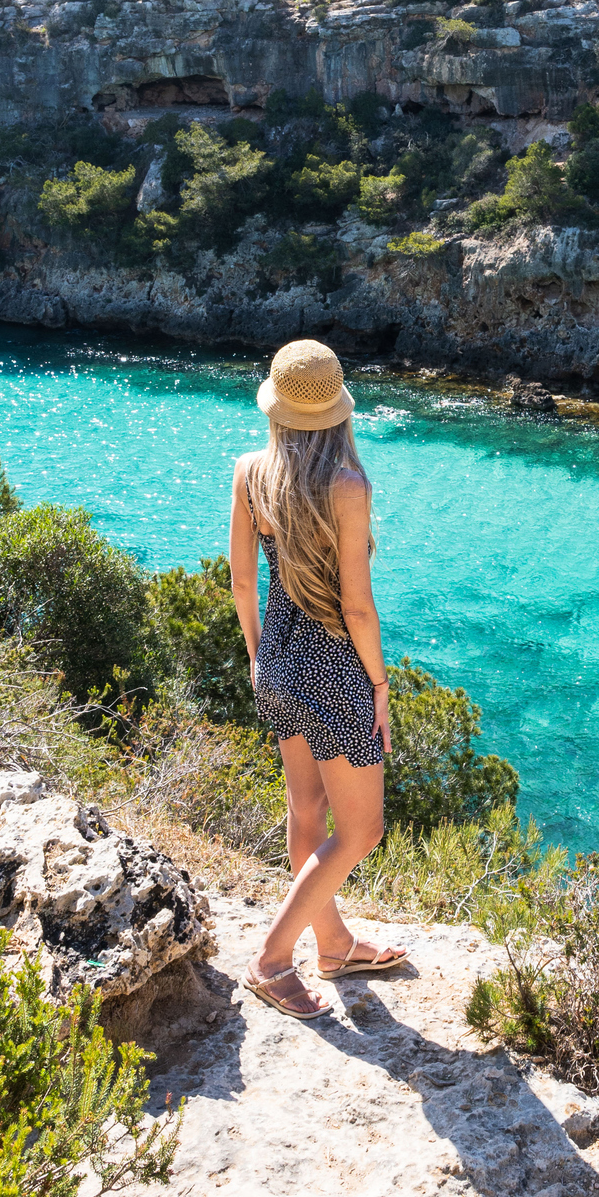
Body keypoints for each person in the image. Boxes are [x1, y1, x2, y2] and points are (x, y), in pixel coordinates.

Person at [230, 338, 407, 1019]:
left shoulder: (251, 472)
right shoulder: (347, 485)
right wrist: (380, 689)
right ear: (337, 410)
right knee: (361, 831)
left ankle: (333, 945)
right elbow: (357, 605)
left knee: (307, 811)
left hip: (275, 659)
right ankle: (273, 962)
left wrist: (256, 657)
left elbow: (244, 580)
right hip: (333, 669)